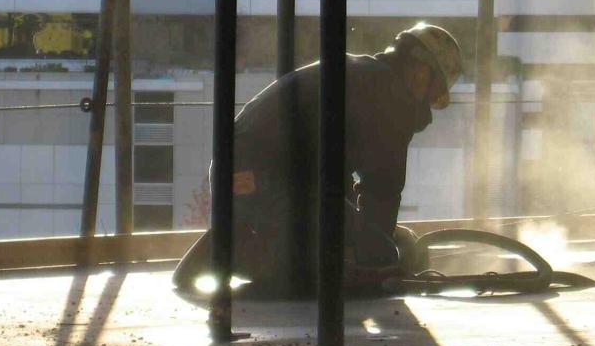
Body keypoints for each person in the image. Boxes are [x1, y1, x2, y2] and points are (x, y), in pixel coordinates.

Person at [173, 23, 463, 298]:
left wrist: (366, 236)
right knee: (367, 264)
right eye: (434, 89)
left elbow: (339, 181)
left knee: (359, 248)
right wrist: (383, 254)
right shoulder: (392, 97)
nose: (429, 100)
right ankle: (234, 251)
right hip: (268, 180)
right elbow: (383, 191)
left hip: (245, 176)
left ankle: (239, 242)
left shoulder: (365, 75)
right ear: (421, 70)